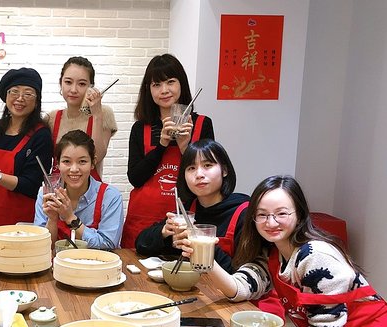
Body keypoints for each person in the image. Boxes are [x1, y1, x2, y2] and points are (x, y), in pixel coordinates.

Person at [179, 175, 387, 327]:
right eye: (262, 215)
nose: (271, 222)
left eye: (281, 213)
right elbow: (239, 288)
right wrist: (205, 259)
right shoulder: (273, 254)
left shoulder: (315, 255)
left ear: (299, 214)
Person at [122, 53, 214, 248]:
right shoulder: (140, 128)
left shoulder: (202, 124)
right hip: (142, 221)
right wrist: (161, 145)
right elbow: (135, 178)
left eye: (170, 82)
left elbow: (209, 178)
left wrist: (184, 147)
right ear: (149, 90)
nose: (164, 90)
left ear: (181, 84)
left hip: (186, 219)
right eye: (156, 85)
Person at [0, 67, 53, 251]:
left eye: (28, 93)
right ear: (5, 96)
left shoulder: (41, 135)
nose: (20, 98)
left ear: (37, 100)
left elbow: (31, 185)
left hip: (20, 225)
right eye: (14, 91)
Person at [136, 140, 248, 272]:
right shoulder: (187, 210)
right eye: (191, 168)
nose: (199, 174)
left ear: (224, 170)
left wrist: (200, 242)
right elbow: (140, 243)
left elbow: (242, 275)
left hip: (227, 291)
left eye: (207, 165)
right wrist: (165, 232)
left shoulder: (244, 213)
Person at [34, 130, 124, 250]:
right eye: (66, 161)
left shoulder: (110, 197)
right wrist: (52, 219)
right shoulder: (45, 195)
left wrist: (70, 217)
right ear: (58, 164)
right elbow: (41, 247)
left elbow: (108, 243)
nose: (74, 169)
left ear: (93, 163)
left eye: (82, 161)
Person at [44, 56, 117, 179]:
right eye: (68, 82)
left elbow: (97, 156)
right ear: (60, 83)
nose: (73, 89)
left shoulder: (103, 113)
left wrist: (97, 114)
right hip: (59, 191)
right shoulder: (51, 118)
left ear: (91, 86)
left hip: (89, 192)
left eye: (82, 84)